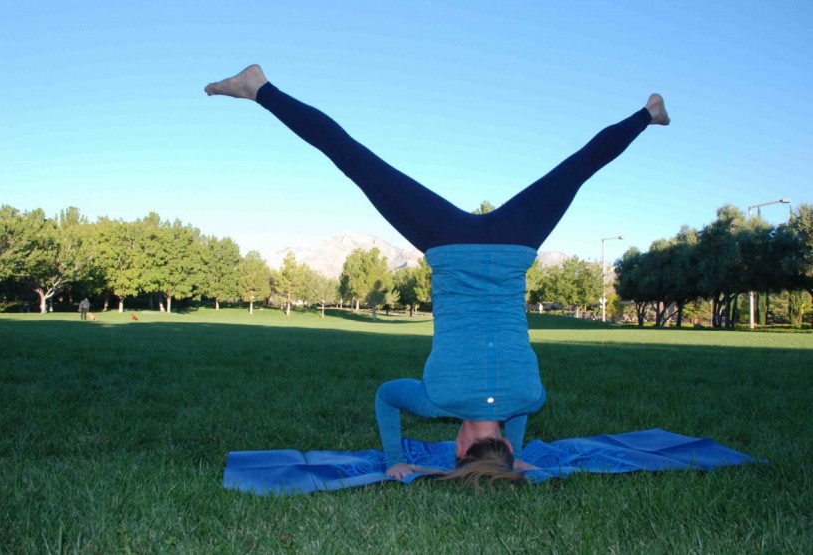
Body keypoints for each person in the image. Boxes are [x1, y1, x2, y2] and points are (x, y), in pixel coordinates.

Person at [205, 65, 669, 482]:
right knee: (353, 159)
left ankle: (648, 113)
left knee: (580, 166)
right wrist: (392, 459)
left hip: (514, 246)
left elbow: (518, 410)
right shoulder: (438, 400)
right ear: (461, 447)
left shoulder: (531, 397)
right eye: (457, 452)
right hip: (448, 244)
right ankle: (259, 88)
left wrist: (516, 455)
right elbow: (386, 397)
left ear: (505, 444)